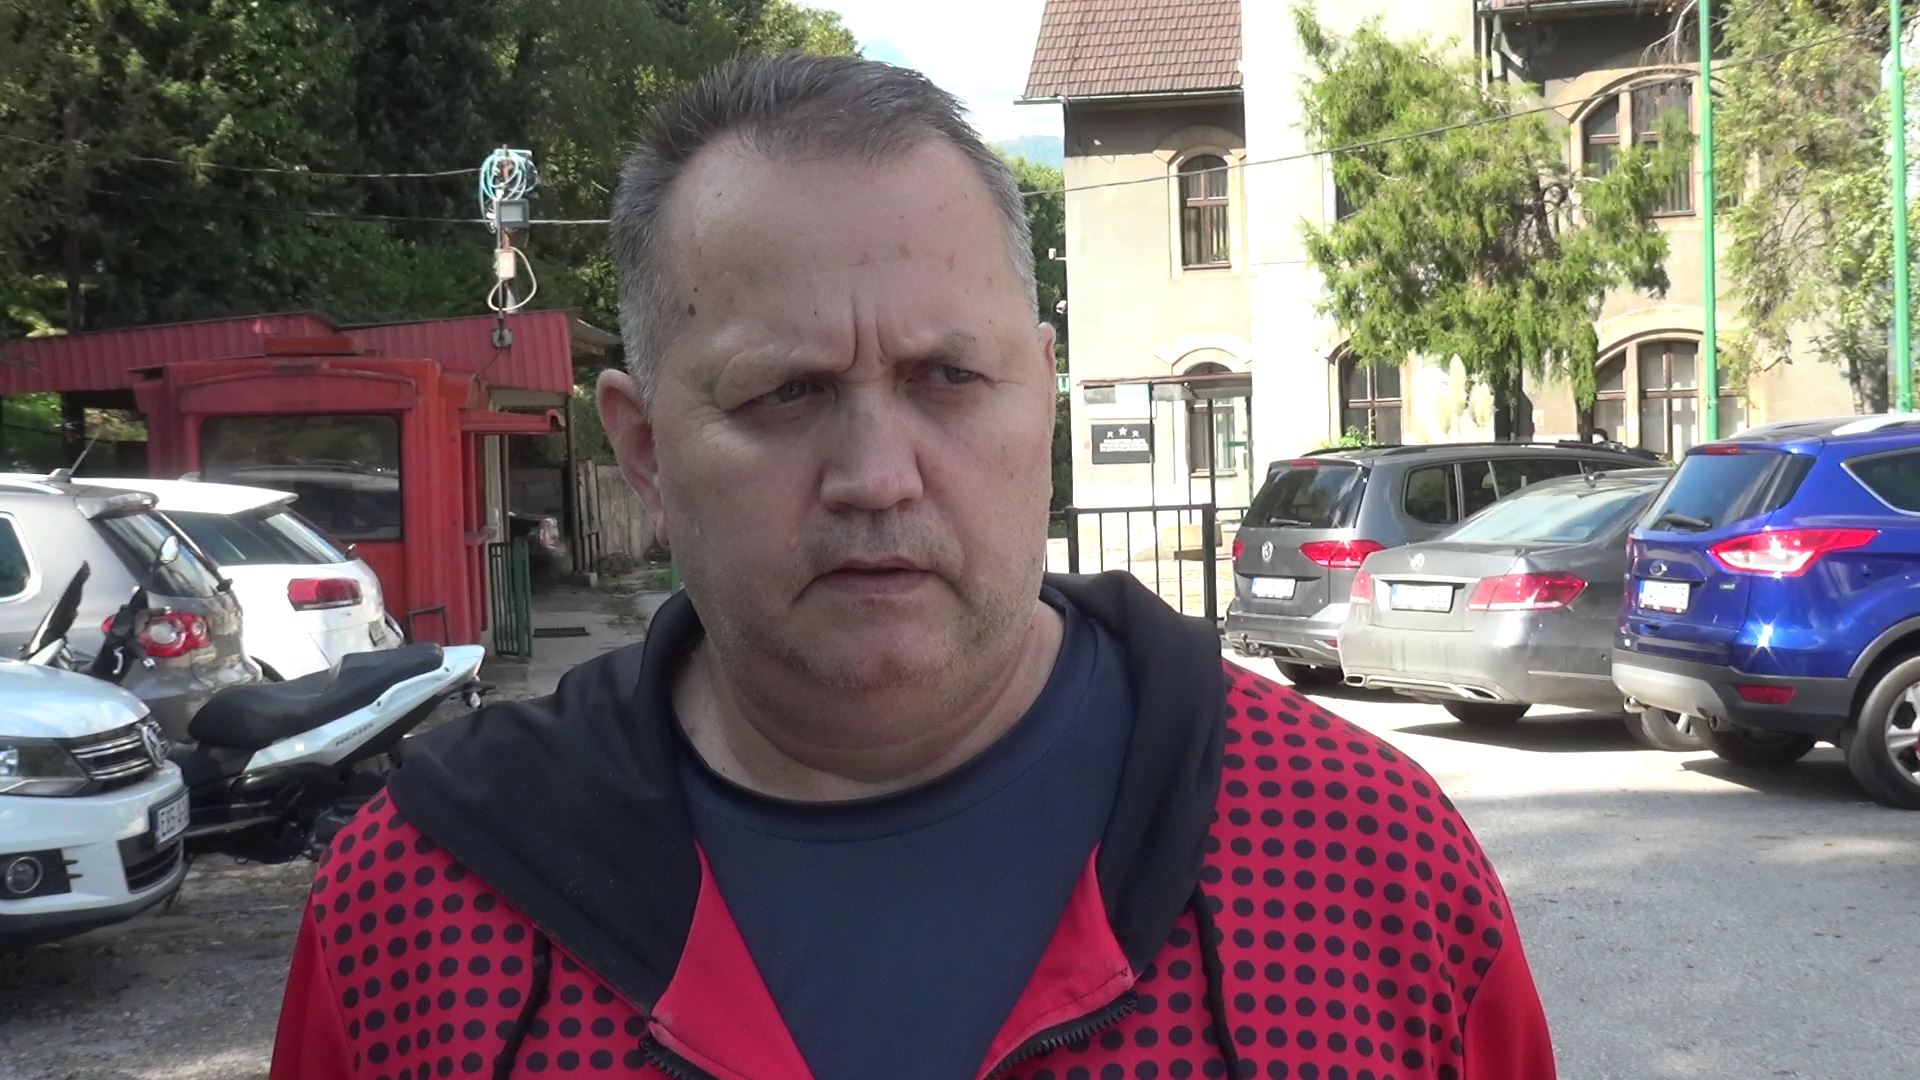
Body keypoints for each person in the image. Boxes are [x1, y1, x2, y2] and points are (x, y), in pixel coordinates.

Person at [271, 55, 1556, 1080]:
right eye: (785, 393)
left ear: (1041, 397)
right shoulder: (418, 916)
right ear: (645, 450)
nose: (877, 474)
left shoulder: (1368, 869)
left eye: (948, 376)